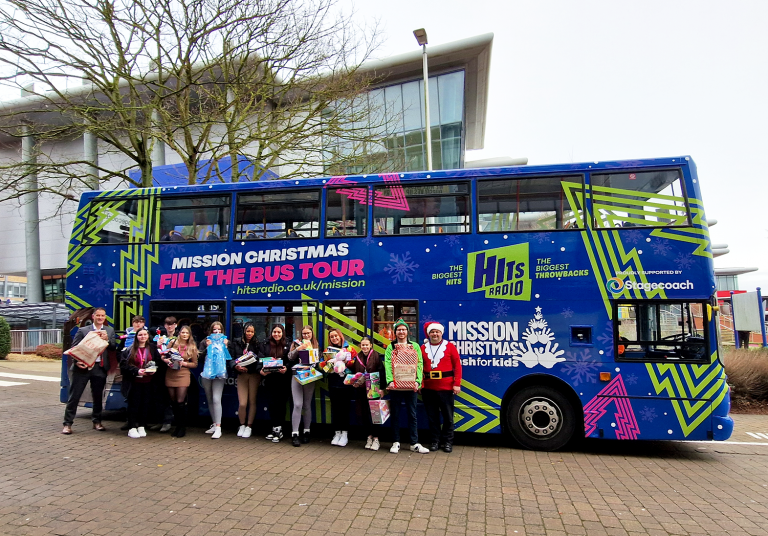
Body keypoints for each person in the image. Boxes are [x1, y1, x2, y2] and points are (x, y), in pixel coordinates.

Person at [61, 307, 116, 435]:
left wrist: (107, 339)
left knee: (98, 397)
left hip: (99, 367)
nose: (100, 318)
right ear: (93, 317)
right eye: (98, 315)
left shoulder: (109, 330)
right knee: (75, 396)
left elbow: (113, 348)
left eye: (102, 316)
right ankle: (67, 424)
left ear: (105, 317)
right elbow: (74, 348)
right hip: (83, 367)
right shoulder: (83, 330)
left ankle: (97, 421)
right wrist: (77, 361)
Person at [384, 318, 429, 454]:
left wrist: (418, 381)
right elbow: (387, 364)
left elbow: (419, 364)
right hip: (396, 386)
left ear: (407, 332)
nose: (401, 332)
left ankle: (414, 443)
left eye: (403, 329)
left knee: (412, 414)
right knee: (396, 414)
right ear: (395, 332)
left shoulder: (415, 346)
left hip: (411, 386)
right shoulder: (390, 347)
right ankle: (396, 442)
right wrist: (390, 380)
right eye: (399, 329)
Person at [420, 321, 462, 453]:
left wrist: (457, 384)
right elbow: (419, 367)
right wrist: (420, 383)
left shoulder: (450, 347)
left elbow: (457, 366)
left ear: (441, 333)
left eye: (437, 332)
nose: (435, 334)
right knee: (432, 418)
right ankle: (435, 441)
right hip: (429, 388)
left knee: (448, 417)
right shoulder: (422, 348)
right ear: (429, 334)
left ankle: (448, 442)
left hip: (446, 388)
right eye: (432, 332)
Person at [120, 328, 162, 438]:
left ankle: (141, 426)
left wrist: (153, 370)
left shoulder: (152, 348)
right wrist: (136, 371)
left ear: (148, 336)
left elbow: (158, 362)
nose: (142, 337)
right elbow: (124, 366)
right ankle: (132, 427)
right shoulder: (129, 349)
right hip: (134, 381)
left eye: (145, 334)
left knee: (145, 404)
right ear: (136, 337)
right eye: (140, 335)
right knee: (134, 404)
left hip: (148, 381)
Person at [350, 336, 386, 451]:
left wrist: (382, 389)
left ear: (371, 345)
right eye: (362, 345)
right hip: (361, 391)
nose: (364, 347)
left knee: (375, 415)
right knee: (363, 414)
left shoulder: (376, 356)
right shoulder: (358, 357)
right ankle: (369, 437)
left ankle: (376, 439)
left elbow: (382, 372)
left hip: (374, 390)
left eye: (366, 345)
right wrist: (354, 382)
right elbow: (354, 373)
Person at [163, 325, 199, 438]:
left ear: (189, 335)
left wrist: (184, 363)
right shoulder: (173, 343)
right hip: (171, 373)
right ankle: (176, 426)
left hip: (183, 374)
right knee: (173, 401)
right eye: (182, 332)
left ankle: (182, 427)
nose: (184, 335)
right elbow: (163, 355)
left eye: (186, 333)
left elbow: (195, 364)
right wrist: (167, 360)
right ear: (179, 334)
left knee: (180, 401)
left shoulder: (192, 346)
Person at [287, 325, 320, 447]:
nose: (306, 335)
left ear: (312, 334)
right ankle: (295, 433)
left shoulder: (316, 345)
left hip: (309, 376)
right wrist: (299, 348)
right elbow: (290, 357)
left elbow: (318, 362)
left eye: (308, 333)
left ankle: (306, 431)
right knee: (297, 404)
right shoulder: (296, 343)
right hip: (296, 376)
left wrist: (311, 364)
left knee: (306, 404)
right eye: (304, 333)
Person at [259, 324, 291, 443]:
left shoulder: (288, 345)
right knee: (272, 404)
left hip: (283, 380)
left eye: (279, 332)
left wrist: (286, 368)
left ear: (282, 333)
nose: (276, 334)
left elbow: (290, 361)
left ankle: (279, 429)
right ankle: (274, 427)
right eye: (274, 332)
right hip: (270, 379)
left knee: (281, 405)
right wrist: (261, 370)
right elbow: (260, 359)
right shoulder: (265, 345)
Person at [325, 328, 357, 447]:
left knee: (344, 409)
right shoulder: (327, 351)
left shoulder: (349, 349)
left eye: (336, 336)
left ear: (340, 336)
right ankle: (337, 433)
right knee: (335, 409)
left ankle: (345, 434)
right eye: (332, 337)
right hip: (333, 383)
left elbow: (355, 365)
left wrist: (346, 362)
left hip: (346, 384)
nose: (334, 338)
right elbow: (323, 368)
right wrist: (328, 364)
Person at [199, 321, 231, 439]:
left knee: (216, 398)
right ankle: (214, 423)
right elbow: (199, 357)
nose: (217, 332)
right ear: (211, 331)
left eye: (219, 330)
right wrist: (207, 347)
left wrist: (226, 347)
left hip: (220, 373)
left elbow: (230, 357)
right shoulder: (205, 341)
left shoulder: (226, 342)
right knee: (209, 399)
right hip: (207, 373)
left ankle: (218, 427)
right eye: (214, 330)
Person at [229, 322, 261, 439]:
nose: (250, 334)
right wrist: (235, 366)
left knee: (252, 401)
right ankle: (241, 425)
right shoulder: (236, 343)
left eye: (252, 332)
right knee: (242, 403)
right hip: (241, 375)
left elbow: (260, 359)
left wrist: (254, 362)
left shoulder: (257, 344)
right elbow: (231, 359)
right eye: (248, 331)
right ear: (244, 331)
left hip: (253, 375)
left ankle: (249, 426)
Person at [149, 316, 179, 433]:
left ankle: (168, 421)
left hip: (173, 370)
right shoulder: (160, 337)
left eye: (172, 324)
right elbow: (153, 354)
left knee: (170, 397)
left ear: (176, 325)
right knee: (159, 396)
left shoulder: (179, 337)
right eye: (167, 324)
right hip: (160, 369)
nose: (169, 326)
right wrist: (157, 346)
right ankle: (160, 421)